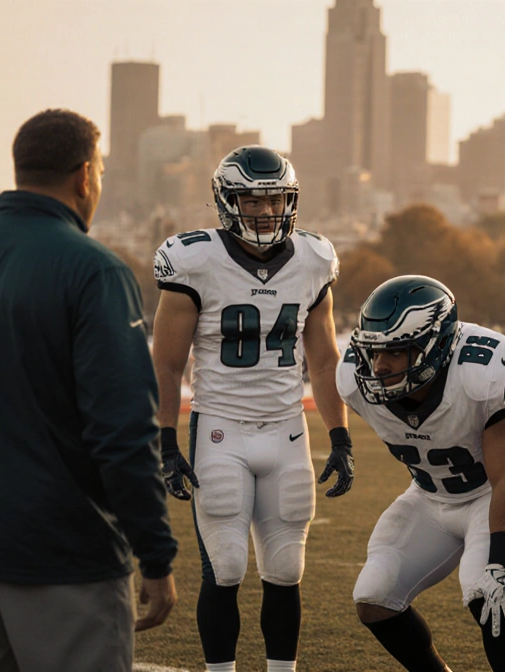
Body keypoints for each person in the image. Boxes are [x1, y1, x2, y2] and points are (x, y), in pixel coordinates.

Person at [0, 109, 177, 671]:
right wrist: (155, 554)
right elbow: (123, 430)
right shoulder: (95, 271)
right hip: (60, 550)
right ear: (85, 175)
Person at [151, 145, 352, 672]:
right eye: (251, 200)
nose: (265, 212)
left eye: (275, 200)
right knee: (226, 565)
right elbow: (167, 364)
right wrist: (167, 442)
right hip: (220, 426)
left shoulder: (313, 259)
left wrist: (341, 436)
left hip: (288, 429)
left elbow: (326, 360)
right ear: (226, 201)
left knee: (286, 568)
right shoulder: (193, 259)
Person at [341, 276, 505, 672]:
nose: (379, 365)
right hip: (429, 496)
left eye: (395, 352)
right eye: (373, 352)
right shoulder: (353, 379)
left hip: (496, 493)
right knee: (374, 596)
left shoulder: (483, 374)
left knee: (488, 592)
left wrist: (501, 566)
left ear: (433, 348)